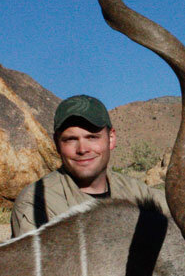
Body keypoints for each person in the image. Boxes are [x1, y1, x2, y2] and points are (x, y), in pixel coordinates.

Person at [11, 94, 167, 236]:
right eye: (70, 139)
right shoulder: (37, 202)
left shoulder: (134, 190)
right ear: (57, 144)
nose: (82, 149)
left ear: (111, 138)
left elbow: (181, 213)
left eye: (92, 137)